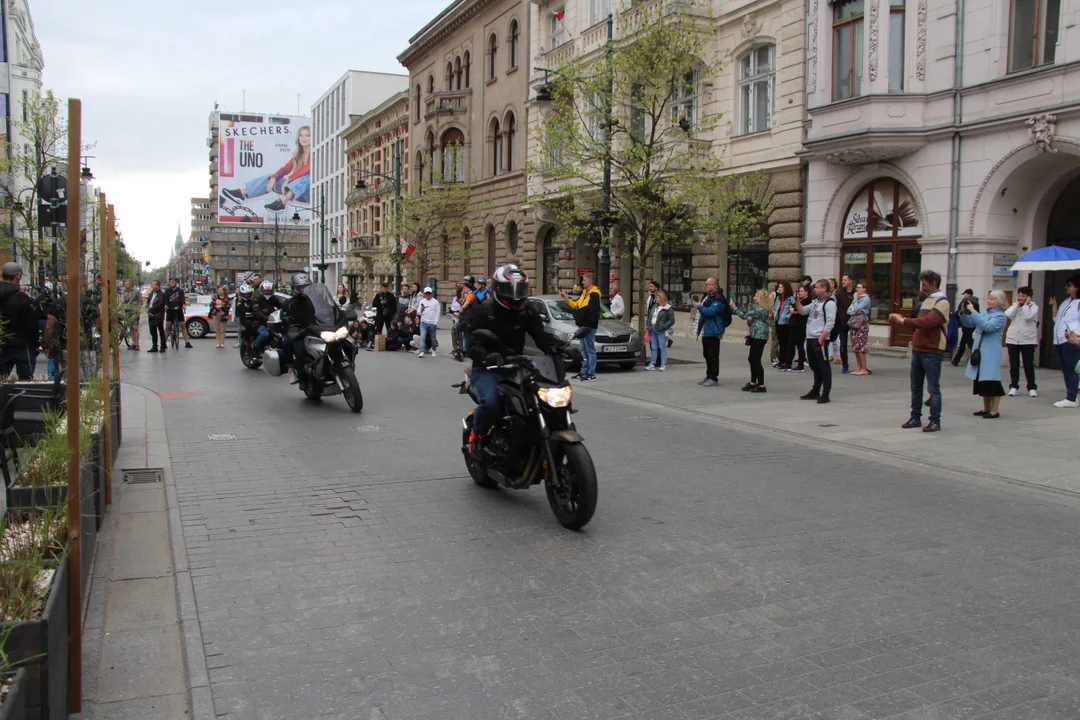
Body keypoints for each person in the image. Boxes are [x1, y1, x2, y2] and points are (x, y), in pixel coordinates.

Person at [458, 264, 559, 446]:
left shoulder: (527, 310)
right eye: (509, 289)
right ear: (498, 288)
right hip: (488, 369)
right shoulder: (483, 311)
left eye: (519, 289)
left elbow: (541, 336)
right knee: (491, 404)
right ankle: (476, 437)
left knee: (539, 401)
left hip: (517, 367)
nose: (515, 294)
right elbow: (472, 343)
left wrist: (561, 348)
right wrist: (486, 356)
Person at [889, 269, 950, 432]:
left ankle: (935, 421)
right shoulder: (926, 300)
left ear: (933, 284)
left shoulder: (942, 302)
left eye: (924, 285)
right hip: (918, 348)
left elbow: (927, 322)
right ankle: (915, 417)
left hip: (932, 350)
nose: (921, 287)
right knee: (915, 386)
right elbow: (920, 320)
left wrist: (903, 321)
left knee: (933, 389)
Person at [220, 125, 311, 213]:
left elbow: (308, 168)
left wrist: (288, 179)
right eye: (301, 135)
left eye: (307, 135)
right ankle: (242, 193)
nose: (304, 138)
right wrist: (274, 178)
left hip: (310, 193)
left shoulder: (316, 152)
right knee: (270, 178)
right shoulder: (298, 155)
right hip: (296, 192)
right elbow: (286, 169)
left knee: (306, 176)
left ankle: (282, 202)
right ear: (298, 138)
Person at [961, 290, 1008, 418]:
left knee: (992, 381)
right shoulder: (985, 312)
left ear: (999, 301)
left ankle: (995, 410)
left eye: (992, 299)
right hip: (980, 350)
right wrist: (965, 312)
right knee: (982, 380)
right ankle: (986, 408)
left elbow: (987, 326)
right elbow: (970, 323)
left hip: (991, 352)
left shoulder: (1000, 316)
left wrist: (974, 312)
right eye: (989, 298)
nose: (989, 301)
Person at [795, 279, 836, 404]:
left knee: (823, 366)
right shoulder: (815, 302)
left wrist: (821, 338)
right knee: (814, 365)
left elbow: (830, 322)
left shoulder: (830, 303)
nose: (815, 289)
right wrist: (797, 300)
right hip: (810, 337)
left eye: (817, 287)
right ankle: (815, 390)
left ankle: (825, 393)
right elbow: (802, 311)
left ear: (824, 289)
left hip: (819, 338)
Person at [0, 262, 41, 380]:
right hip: (23, 345)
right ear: (18, 277)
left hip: (2, 346)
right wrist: (36, 342)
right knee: (25, 382)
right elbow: (31, 324)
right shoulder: (23, 299)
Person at [562, 272, 601, 381]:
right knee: (584, 350)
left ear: (590, 281)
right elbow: (576, 304)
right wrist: (566, 297)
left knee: (590, 350)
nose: (582, 282)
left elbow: (593, 312)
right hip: (583, 326)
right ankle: (584, 371)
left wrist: (587, 325)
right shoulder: (584, 293)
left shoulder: (594, 294)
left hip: (588, 327)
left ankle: (591, 373)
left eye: (584, 280)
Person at [732, 289, 772, 393]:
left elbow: (744, 315)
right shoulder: (758, 309)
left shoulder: (760, 309)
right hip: (755, 335)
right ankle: (753, 382)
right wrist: (750, 322)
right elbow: (751, 321)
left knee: (755, 359)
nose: (754, 298)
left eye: (756, 296)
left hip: (760, 336)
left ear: (761, 299)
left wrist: (734, 307)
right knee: (752, 359)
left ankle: (761, 385)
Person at [280, 273, 316, 387]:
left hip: (316, 329)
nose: (303, 289)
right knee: (297, 350)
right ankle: (297, 374)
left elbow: (328, 308)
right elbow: (285, 316)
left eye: (306, 286)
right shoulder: (291, 303)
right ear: (295, 288)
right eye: (301, 287)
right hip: (299, 332)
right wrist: (287, 320)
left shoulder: (316, 298)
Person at [1049, 274, 1080, 408]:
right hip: (1060, 340)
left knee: (1072, 369)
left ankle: (1071, 397)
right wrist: (1054, 306)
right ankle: (1072, 395)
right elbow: (1058, 320)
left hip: (1072, 340)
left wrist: (1077, 335)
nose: (1066, 287)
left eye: (1069, 285)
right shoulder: (1066, 302)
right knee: (1066, 369)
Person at [691, 277, 728, 387]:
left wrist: (699, 306)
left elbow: (711, 311)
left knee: (713, 355)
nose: (706, 286)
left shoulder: (718, 298)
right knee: (706, 354)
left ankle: (713, 377)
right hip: (705, 330)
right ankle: (708, 375)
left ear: (714, 285)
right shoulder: (707, 296)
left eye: (708, 284)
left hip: (713, 330)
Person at [1004, 286, 1039, 397]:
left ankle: (1031, 387)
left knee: (1028, 365)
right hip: (1013, 339)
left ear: (1029, 297)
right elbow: (1008, 314)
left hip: (1027, 340)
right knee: (1014, 364)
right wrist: (1017, 306)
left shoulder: (1034, 307)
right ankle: (1014, 386)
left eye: (1023, 296)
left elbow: (1028, 317)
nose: (1020, 298)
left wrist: (1025, 306)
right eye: (1019, 295)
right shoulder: (1014, 306)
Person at [847, 281, 872, 375]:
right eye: (857, 287)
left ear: (864, 288)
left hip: (861, 323)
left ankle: (864, 368)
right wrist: (855, 307)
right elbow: (849, 311)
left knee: (860, 346)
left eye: (859, 287)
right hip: (854, 322)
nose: (857, 289)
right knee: (855, 346)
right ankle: (859, 368)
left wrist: (855, 301)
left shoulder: (866, 299)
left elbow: (857, 308)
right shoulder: (857, 298)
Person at [646, 289, 674, 371]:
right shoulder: (655, 306)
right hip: (653, 328)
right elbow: (650, 316)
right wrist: (648, 326)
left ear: (661, 298)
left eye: (657, 297)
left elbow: (672, 320)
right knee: (654, 347)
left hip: (661, 329)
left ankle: (663, 364)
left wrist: (664, 327)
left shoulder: (668, 308)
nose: (655, 299)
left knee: (662, 347)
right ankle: (652, 363)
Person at [251, 281, 282, 353]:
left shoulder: (274, 298)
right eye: (266, 291)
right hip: (260, 322)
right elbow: (256, 311)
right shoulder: (256, 299)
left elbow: (281, 306)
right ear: (261, 290)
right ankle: (254, 348)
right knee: (264, 334)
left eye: (269, 291)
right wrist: (264, 317)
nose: (267, 293)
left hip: (273, 321)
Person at [951, 289, 980, 365]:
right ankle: (956, 360)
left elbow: (961, 311)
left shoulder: (965, 301)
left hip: (966, 324)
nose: (964, 295)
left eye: (964, 294)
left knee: (969, 343)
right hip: (973, 323)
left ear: (967, 294)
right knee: (963, 343)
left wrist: (953, 315)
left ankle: (977, 356)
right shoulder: (975, 301)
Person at [163, 278, 193, 350]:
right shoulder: (167, 291)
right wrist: (166, 305)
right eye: (170, 282)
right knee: (168, 327)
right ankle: (164, 343)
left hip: (178, 309)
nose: (170, 283)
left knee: (182, 325)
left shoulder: (180, 291)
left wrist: (183, 305)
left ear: (176, 283)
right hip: (170, 309)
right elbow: (165, 300)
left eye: (172, 282)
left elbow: (182, 299)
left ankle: (187, 342)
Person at [788, 283, 810, 373]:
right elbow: (792, 307)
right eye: (799, 291)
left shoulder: (807, 301)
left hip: (801, 325)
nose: (800, 293)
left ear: (806, 292)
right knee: (791, 344)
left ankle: (801, 364)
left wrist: (795, 310)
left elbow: (802, 311)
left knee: (800, 345)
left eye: (801, 291)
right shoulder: (798, 300)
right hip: (793, 324)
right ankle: (788, 362)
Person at [835, 274, 855, 373]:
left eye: (845, 280)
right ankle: (845, 365)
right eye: (842, 280)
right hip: (842, 321)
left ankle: (861, 366)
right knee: (843, 345)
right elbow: (836, 306)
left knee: (857, 345)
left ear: (850, 281)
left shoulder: (856, 292)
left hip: (855, 321)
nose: (843, 281)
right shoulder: (839, 293)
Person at [773, 281, 794, 371]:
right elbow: (776, 308)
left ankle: (786, 360)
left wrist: (787, 317)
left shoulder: (790, 299)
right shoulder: (778, 298)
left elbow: (793, 309)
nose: (780, 288)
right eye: (779, 287)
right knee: (781, 342)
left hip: (785, 322)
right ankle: (781, 360)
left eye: (781, 287)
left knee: (786, 343)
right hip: (778, 321)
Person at [417, 286, 441, 358]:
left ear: (431, 294)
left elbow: (438, 312)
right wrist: (421, 311)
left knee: (433, 338)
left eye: (429, 293)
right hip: (423, 322)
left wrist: (435, 322)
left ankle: (433, 350)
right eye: (426, 294)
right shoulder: (422, 301)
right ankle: (422, 351)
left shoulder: (435, 302)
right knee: (422, 338)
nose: (428, 295)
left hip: (432, 322)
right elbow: (418, 312)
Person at [120, 279, 143, 351]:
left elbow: (140, 301)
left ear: (130, 284)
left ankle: (137, 344)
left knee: (135, 327)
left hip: (134, 311)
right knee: (131, 328)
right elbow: (123, 301)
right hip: (127, 311)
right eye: (125, 284)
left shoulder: (136, 291)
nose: (125, 285)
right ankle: (133, 343)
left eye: (127, 284)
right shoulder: (125, 292)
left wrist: (137, 308)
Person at [146, 280, 167, 352]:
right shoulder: (151, 293)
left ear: (158, 286)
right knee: (152, 331)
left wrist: (150, 309)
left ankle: (163, 346)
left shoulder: (161, 294)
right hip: (151, 314)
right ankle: (154, 346)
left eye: (154, 284)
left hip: (158, 314)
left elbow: (160, 304)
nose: (153, 286)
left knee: (160, 330)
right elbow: (148, 301)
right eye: (152, 284)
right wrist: (147, 308)